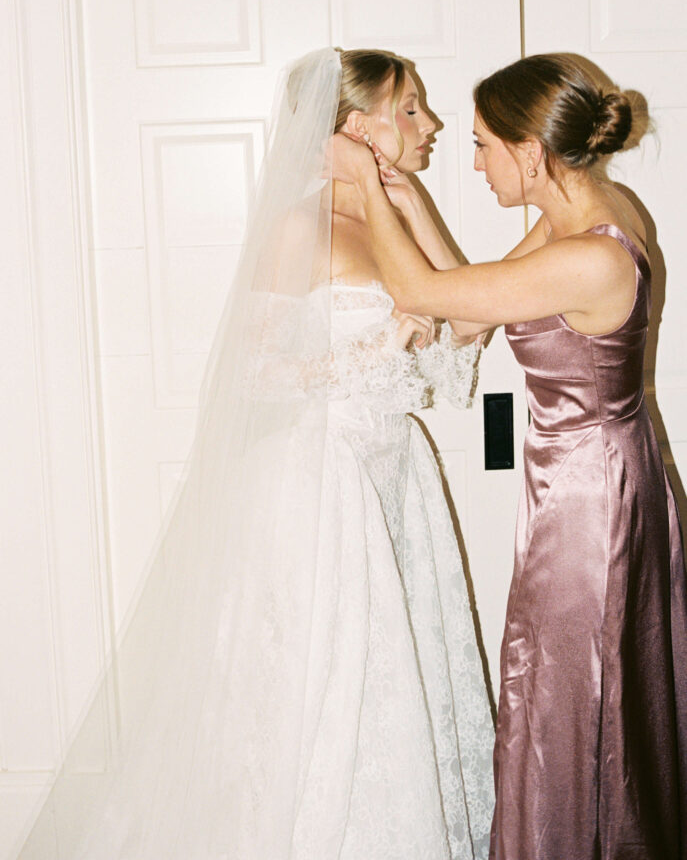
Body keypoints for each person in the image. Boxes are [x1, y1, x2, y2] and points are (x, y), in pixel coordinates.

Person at [15, 48, 494, 860]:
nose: (432, 124)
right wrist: (384, 342)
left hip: (395, 475)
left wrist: (408, 204)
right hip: (322, 484)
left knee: (399, 673)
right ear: (353, 127)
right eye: (409, 109)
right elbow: (258, 373)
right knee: (319, 685)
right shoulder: (297, 226)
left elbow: (468, 328)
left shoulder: (400, 208)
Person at [336, 52, 687, 860]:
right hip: (598, 478)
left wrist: (365, 182)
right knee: (594, 692)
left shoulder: (589, 254)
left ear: (530, 153)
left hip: (589, 504)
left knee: (570, 692)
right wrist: (409, 201)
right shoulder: (585, 213)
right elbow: (472, 310)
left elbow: (424, 297)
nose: (473, 162)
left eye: (482, 145)